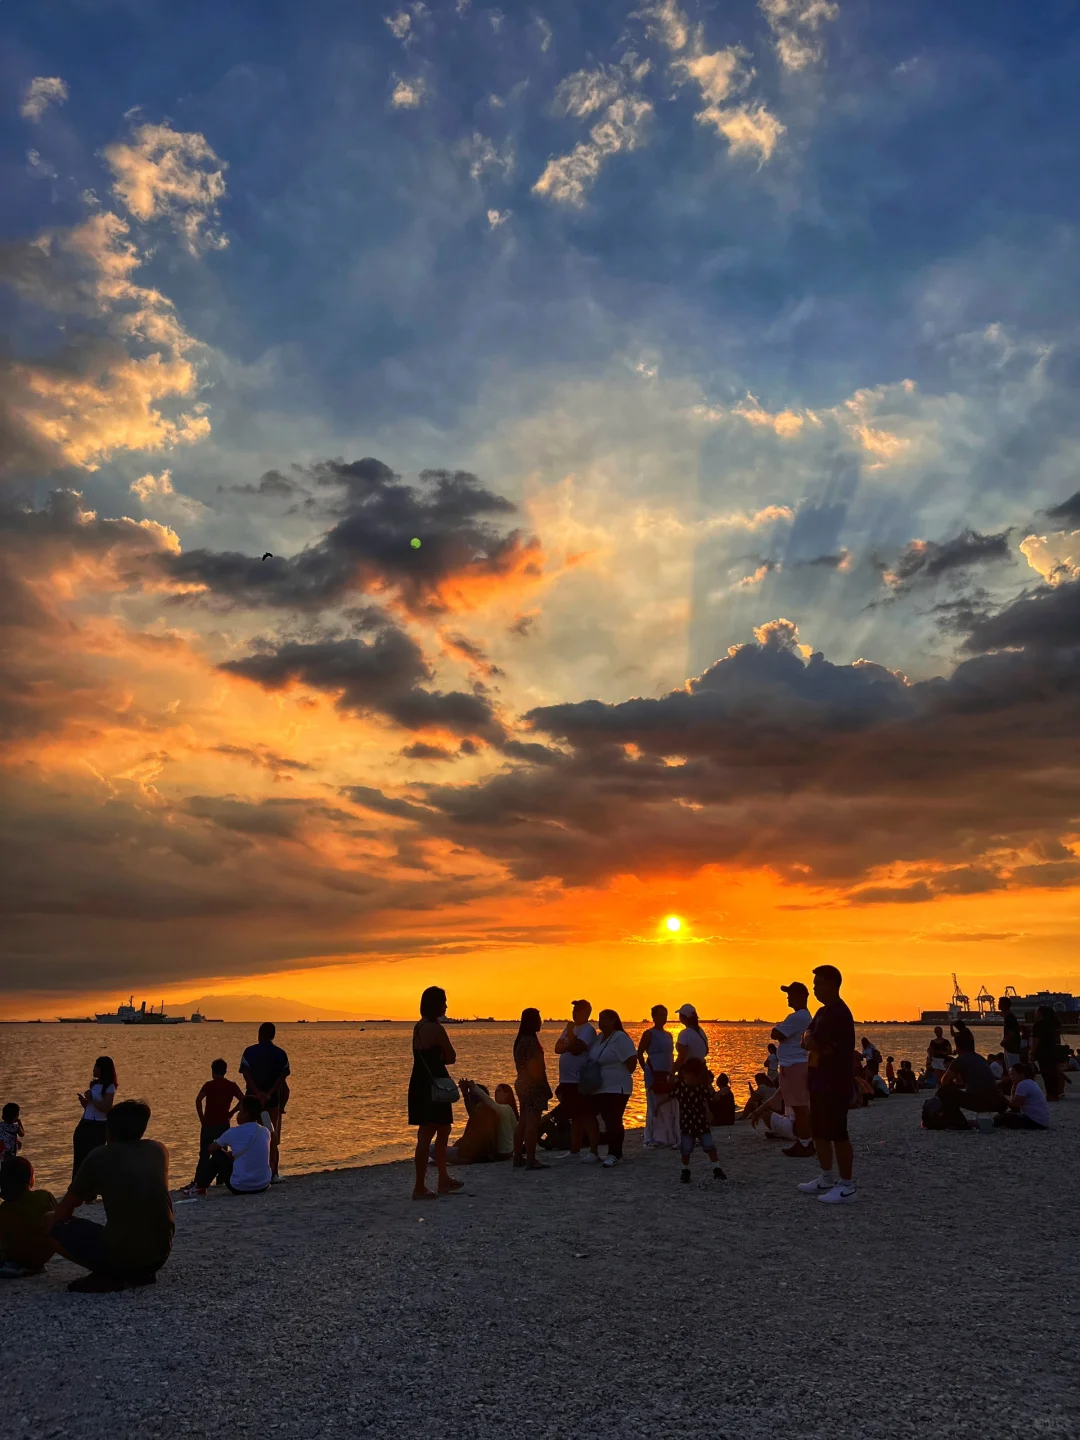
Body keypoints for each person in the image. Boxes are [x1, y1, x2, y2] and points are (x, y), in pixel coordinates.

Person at [50, 1099, 173, 1294]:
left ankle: (108, 1273)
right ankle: (138, 1273)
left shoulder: (100, 1156)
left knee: (48, 1222)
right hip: (160, 1254)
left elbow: (65, 1209)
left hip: (123, 1256)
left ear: (110, 1129)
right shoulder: (159, 1150)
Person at [797, 964, 858, 1204]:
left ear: (833, 985)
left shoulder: (838, 1013)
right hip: (818, 1080)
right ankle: (826, 1177)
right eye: (814, 984)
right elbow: (807, 1038)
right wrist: (811, 1040)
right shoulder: (821, 1012)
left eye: (819, 983)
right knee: (819, 1130)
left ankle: (847, 1184)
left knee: (838, 1133)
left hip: (835, 1082)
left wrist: (812, 1040)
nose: (815, 989)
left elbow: (813, 1040)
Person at [408, 986, 462, 1200]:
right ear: (435, 1005)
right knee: (437, 1132)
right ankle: (425, 1185)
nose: (446, 1006)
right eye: (444, 1002)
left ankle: (438, 1180)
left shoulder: (418, 1027)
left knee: (430, 1132)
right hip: (435, 1084)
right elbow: (451, 1056)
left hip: (419, 1082)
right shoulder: (437, 1029)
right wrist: (441, 1054)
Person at [183, 1058, 245, 1197]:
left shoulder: (208, 1085)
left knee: (204, 1153)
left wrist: (201, 1118)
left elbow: (198, 1100)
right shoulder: (231, 1085)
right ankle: (221, 1179)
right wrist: (232, 1112)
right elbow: (242, 1099)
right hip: (223, 1123)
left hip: (209, 1124)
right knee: (222, 1152)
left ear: (213, 1071)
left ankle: (199, 1181)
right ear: (225, 1071)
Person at [239, 1022, 290, 1181]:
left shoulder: (249, 1052)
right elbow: (282, 1079)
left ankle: (250, 1171)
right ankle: (273, 1172)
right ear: (273, 1035)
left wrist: (257, 1092)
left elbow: (246, 1074)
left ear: (259, 1034)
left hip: (252, 1101)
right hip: (272, 1101)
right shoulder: (281, 1054)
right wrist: (269, 1094)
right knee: (271, 1136)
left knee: (248, 1133)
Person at [588, 1010, 637, 1167]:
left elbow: (632, 1061)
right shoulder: (600, 1038)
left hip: (617, 1086)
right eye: (599, 1018)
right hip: (601, 1086)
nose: (599, 1021)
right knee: (606, 1120)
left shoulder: (620, 1038)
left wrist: (620, 1074)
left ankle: (616, 1153)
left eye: (603, 1019)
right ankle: (610, 1151)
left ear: (613, 1021)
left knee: (614, 1119)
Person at [554, 999, 600, 1160]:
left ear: (586, 1012)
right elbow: (557, 1048)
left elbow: (576, 1049)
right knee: (575, 1115)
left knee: (587, 1114)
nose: (574, 1013)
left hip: (580, 1080)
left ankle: (594, 1151)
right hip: (567, 1080)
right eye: (573, 1010)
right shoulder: (570, 1029)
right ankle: (575, 1150)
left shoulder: (587, 1030)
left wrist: (569, 1037)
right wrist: (569, 1040)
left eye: (578, 1010)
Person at [772, 980, 813, 1158]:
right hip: (796, 1065)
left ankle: (805, 1143)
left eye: (790, 994)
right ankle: (805, 1140)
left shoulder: (798, 1017)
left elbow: (777, 1034)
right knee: (799, 1106)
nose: (788, 997)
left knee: (799, 1106)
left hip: (794, 1066)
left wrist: (778, 1028)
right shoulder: (802, 1017)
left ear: (801, 996)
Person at [0, 1158, 56, 1280]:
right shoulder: (44, 1196)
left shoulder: (5, 1208)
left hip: (17, 1257)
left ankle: (15, 1265)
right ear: (31, 1179)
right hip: (44, 1254)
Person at [671, 1058, 726, 1182]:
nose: (686, 1078)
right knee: (685, 1149)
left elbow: (712, 1098)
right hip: (686, 1124)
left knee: (709, 1146)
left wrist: (720, 1094)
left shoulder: (701, 1088)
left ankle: (716, 1168)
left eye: (688, 1076)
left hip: (701, 1123)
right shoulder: (680, 1087)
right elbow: (670, 1094)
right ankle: (685, 1170)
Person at [931, 1041, 1007, 1130]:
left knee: (943, 1092)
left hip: (980, 1102)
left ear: (958, 1048)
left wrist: (953, 1087)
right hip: (996, 1101)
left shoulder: (960, 1060)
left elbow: (944, 1081)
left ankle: (958, 1122)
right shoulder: (981, 1058)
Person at [513, 1008, 553, 1171]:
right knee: (532, 1123)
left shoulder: (520, 1040)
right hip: (533, 1085)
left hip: (521, 1082)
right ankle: (531, 1159)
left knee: (523, 1121)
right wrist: (545, 1087)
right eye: (538, 1018)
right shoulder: (531, 1042)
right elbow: (537, 1069)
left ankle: (518, 1157)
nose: (541, 1021)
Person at [207, 1096, 273, 1192]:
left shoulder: (233, 1132)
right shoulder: (265, 1131)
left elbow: (211, 1149)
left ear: (246, 1114)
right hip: (263, 1184)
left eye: (240, 1111)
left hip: (240, 1187)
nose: (238, 1114)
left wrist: (225, 1154)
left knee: (218, 1155)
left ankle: (200, 1186)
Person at [444, 1081, 517, 1164]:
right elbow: (516, 1129)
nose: (496, 1093)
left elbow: (484, 1101)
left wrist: (472, 1089)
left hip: (491, 1154)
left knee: (432, 1149)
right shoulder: (498, 1110)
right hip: (504, 1153)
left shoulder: (498, 1109)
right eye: (495, 1091)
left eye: (499, 1091)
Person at [638, 1004, 678, 1148]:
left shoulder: (668, 1035)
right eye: (660, 1015)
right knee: (654, 1105)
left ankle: (668, 1136)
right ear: (653, 1016)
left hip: (667, 1072)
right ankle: (653, 1137)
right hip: (653, 1072)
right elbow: (640, 1052)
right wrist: (646, 1070)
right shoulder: (649, 1033)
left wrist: (673, 1072)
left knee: (668, 1104)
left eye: (665, 1015)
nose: (663, 1018)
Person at [72, 1056, 117, 1182]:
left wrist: (92, 1099)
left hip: (98, 1126)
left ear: (102, 1069)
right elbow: (90, 1107)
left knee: (94, 1158)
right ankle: (77, 1189)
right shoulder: (94, 1084)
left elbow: (107, 1108)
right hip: (85, 1123)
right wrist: (85, 1102)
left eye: (96, 1067)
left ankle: (92, 1190)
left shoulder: (109, 1087)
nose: (93, 1069)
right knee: (79, 1158)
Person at [994, 1064, 1051, 1130]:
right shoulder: (1031, 1082)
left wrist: (1002, 1096)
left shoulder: (1023, 1084)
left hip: (1035, 1122)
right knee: (1005, 1115)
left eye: (1013, 1074)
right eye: (1010, 1075)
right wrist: (1013, 1090)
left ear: (1022, 1074)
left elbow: (1014, 1106)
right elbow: (1015, 1107)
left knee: (999, 1118)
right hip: (1042, 1121)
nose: (1011, 1077)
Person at [1029, 1005, 1064, 1101]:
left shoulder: (1038, 1025)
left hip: (1043, 1052)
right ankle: (1055, 1093)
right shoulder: (1053, 1024)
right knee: (1053, 1073)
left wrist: (1032, 1053)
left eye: (1036, 1011)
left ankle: (1051, 1095)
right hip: (1053, 1050)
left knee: (1046, 1073)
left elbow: (1036, 1041)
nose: (1035, 1013)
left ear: (1040, 1013)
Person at [674, 1004, 709, 1072]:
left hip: (689, 1073)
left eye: (680, 1015)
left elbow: (682, 1057)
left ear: (684, 1017)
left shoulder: (685, 1033)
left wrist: (672, 1072)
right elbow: (706, 1051)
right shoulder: (701, 1031)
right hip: (701, 1070)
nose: (679, 1017)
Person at [999, 995, 1023, 1071]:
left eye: (999, 1003)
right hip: (1009, 1047)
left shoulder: (1010, 1018)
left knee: (1013, 1068)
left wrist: (1004, 1041)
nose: (998, 1005)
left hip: (1012, 1048)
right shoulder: (1008, 1017)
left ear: (1004, 1005)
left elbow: (1011, 1033)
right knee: (1009, 1068)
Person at [0, 1102, 23, 1170]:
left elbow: (6, 1135)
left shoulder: (0, 1125)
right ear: (16, 1117)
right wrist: (19, 1122)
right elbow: (22, 1134)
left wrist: (17, 1140)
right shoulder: (16, 1127)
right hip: (10, 1153)